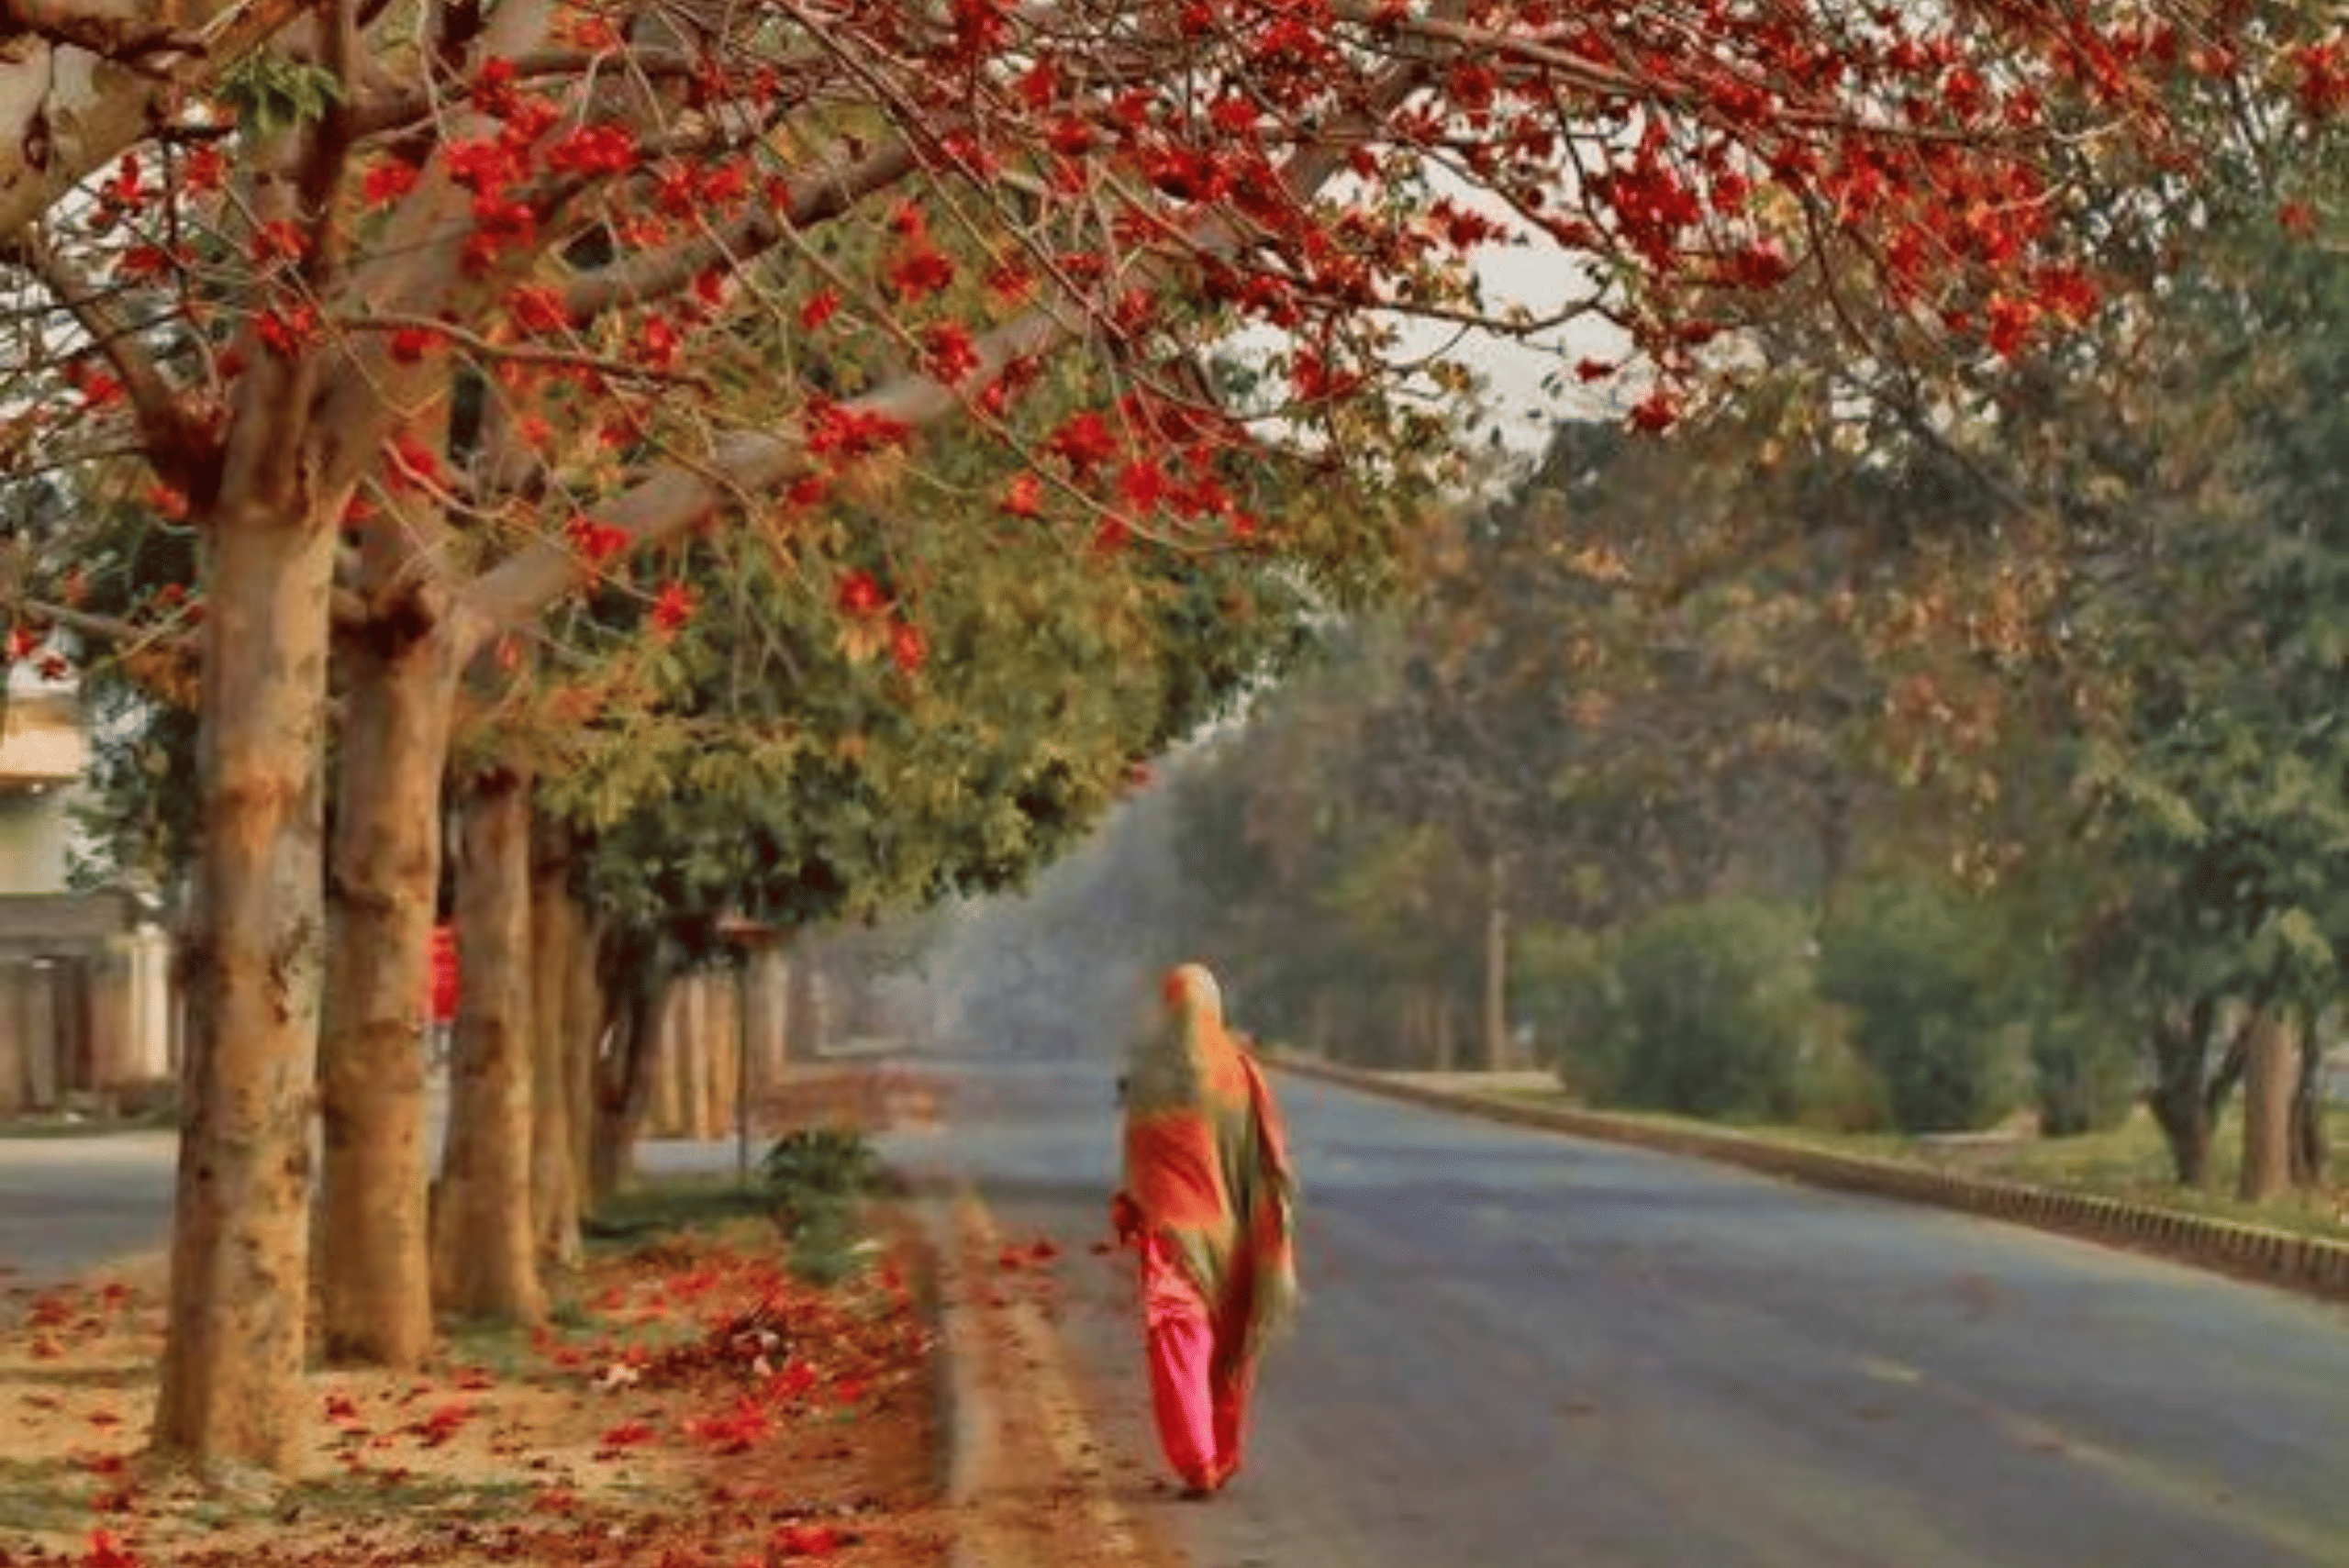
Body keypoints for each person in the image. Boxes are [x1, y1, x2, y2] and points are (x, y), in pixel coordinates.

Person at [1109, 962, 1297, 1498]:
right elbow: (1268, 1159)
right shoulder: (1241, 1073)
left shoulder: (1148, 1080)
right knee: (1229, 1344)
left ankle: (1198, 1463)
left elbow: (1137, 1157)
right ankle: (1220, 1448)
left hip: (1171, 1237)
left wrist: (1130, 1208)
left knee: (1180, 1345)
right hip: (1231, 1235)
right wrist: (1271, 1228)